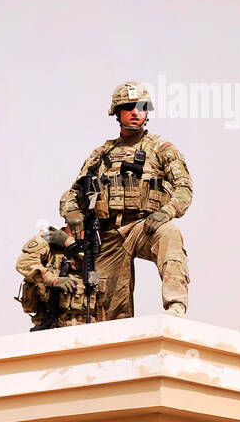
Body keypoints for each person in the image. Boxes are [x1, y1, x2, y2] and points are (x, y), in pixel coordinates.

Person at [60, 80, 192, 320]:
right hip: (109, 235)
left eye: (140, 107)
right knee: (111, 314)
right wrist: (72, 213)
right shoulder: (101, 154)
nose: (135, 112)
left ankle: (175, 305)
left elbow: (184, 188)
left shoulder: (160, 148)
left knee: (170, 234)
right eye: (128, 106)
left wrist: (167, 211)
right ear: (117, 112)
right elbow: (72, 193)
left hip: (143, 226)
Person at [15, 224, 97, 329]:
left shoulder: (97, 245)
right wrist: (53, 280)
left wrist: (71, 244)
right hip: (51, 323)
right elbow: (24, 263)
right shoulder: (49, 239)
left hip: (89, 325)